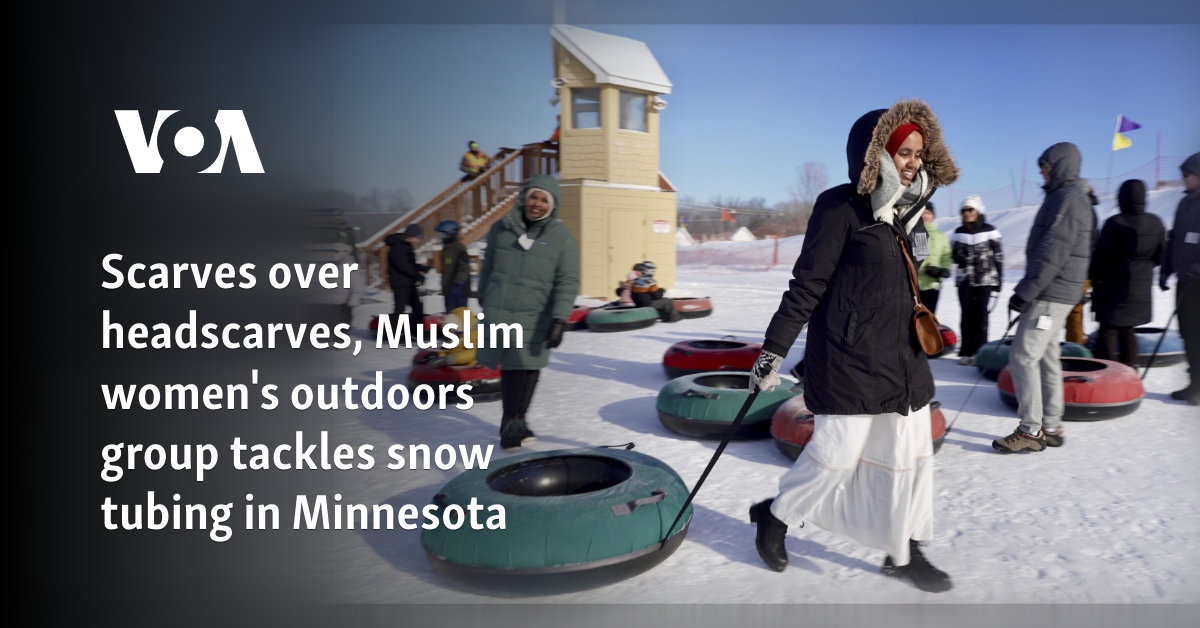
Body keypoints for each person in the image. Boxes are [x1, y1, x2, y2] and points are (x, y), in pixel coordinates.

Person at [746, 100, 959, 593]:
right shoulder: (839, 206)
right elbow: (807, 284)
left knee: (910, 460)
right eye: (902, 151)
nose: (910, 162)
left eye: (917, 154)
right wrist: (773, 350)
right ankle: (774, 518)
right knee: (835, 457)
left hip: (902, 360)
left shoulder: (913, 213)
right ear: (876, 152)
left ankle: (904, 552)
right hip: (848, 360)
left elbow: (912, 284)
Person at [993, 142, 1095, 453]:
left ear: (1060, 166)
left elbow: (1052, 252)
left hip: (1050, 293)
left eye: (1046, 165)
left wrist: (1025, 291)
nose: (1042, 170)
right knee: (1048, 356)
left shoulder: (1067, 199)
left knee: (1023, 356)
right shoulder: (1069, 197)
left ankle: (1031, 430)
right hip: (1059, 292)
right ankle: (1051, 425)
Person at [476, 174, 580, 450]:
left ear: (552, 205)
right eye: (533, 197)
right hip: (502, 310)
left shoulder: (562, 238)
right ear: (523, 198)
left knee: (531, 368)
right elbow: (487, 267)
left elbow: (568, 281)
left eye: (544, 199)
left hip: (537, 314)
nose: (537, 204)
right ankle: (509, 423)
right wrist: (485, 296)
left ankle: (519, 420)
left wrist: (560, 318)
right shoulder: (501, 228)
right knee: (512, 367)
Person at [1089, 179, 1166, 368]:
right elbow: (1161, 255)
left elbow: (1100, 256)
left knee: (1108, 330)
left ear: (1122, 198)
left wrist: (1094, 276)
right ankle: (1131, 369)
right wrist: (1142, 268)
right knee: (1128, 330)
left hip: (1113, 286)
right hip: (1140, 288)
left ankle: (1107, 373)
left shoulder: (1114, 223)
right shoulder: (1156, 223)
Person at [1160, 152, 1200, 405]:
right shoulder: (1185, 204)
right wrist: (1166, 268)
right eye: (1182, 175)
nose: (1183, 179)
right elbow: (1173, 239)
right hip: (1185, 280)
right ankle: (1194, 381)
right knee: (1187, 332)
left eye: (1188, 174)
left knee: (1197, 333)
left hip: (1198, 280)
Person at [950, 195, 1003, 365]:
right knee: (966, 315)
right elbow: (953, 255)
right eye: (964, 210)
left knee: (980, 316)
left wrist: (998, 281)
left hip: (985, 281)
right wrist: (960, 257)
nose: (967, 213)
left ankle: (980, 352)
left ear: (978, 211)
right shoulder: (958, 233)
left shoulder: (990, 230)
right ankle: (966, 352)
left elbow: (999, 256)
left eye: (970, 209)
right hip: (964, 282)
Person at [1064, 181, 1101, 345]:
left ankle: (1077, 350)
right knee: (1072, 312)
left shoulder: (1084, 211)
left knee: (1074, 311)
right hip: (1079, 269)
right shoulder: (1084, 210)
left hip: (1081, 270)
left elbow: (1084, 244)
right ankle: (1074, 344)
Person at [380, 224, 428, 327]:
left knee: (417, 307)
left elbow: (409, 263)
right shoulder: (398, 246)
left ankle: (416, 332)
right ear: (411, 235)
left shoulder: (406, 245)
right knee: (400, 309)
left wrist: (421, 268)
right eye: (418, 237)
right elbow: (403, 265)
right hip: (400, 283)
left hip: (409, 282)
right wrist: (417, 275)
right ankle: (397, 335)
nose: (419, 240)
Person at [916, 203, 952, 313]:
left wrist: (943, 270)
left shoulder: (940, 236)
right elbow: (919, 259)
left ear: (933, 216)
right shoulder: (918, 234)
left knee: (930, 319)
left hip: (932, 285)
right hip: (917, 286)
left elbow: (946, 256)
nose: (925, 215)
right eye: (922, 213)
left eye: (928, 213)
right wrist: (926, 269)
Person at [435, 220, 471, 313]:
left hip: (459, 289)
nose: (440, 238)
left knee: (460, 315)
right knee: (450, 316)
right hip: (448, 289)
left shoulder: (459, 248)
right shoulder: (446, 248)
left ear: (451, 234)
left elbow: (464, 267)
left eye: (442, 235)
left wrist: (458, 283)